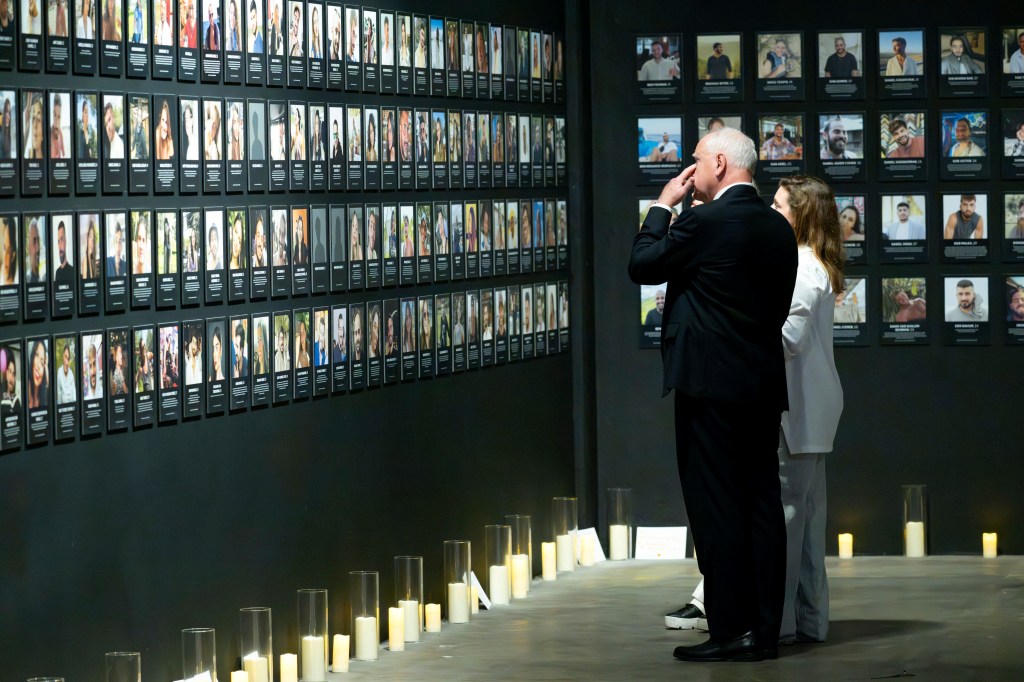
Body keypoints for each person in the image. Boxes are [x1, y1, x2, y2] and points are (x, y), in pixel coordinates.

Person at [628, 128, 797, 663]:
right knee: (762, 505)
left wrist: (662, 205)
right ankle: (765, 631)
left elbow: (643, 264)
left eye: (695, 161)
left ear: (720, 163)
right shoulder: (777, 227)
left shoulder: (704, 221)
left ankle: (728, 629)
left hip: (709, 391)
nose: (689, 171)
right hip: (761, 385)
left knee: (717, 509)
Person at [672, 177, 846, 645]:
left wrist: (733, 329)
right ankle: (809, 622)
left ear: (800, 214)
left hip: (800, 413)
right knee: (806, 524)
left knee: (790, 524)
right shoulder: (810, 264)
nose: (770, 210)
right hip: (809, 410)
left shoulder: (805, 268)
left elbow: (786, 339)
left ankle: (781, 625)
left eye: (778, 204)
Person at [50, 95, 67, 159]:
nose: (56, 121)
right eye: (54, 115)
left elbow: (64, 154)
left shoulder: (60, 133)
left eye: (59, 117)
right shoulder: (49, 135)